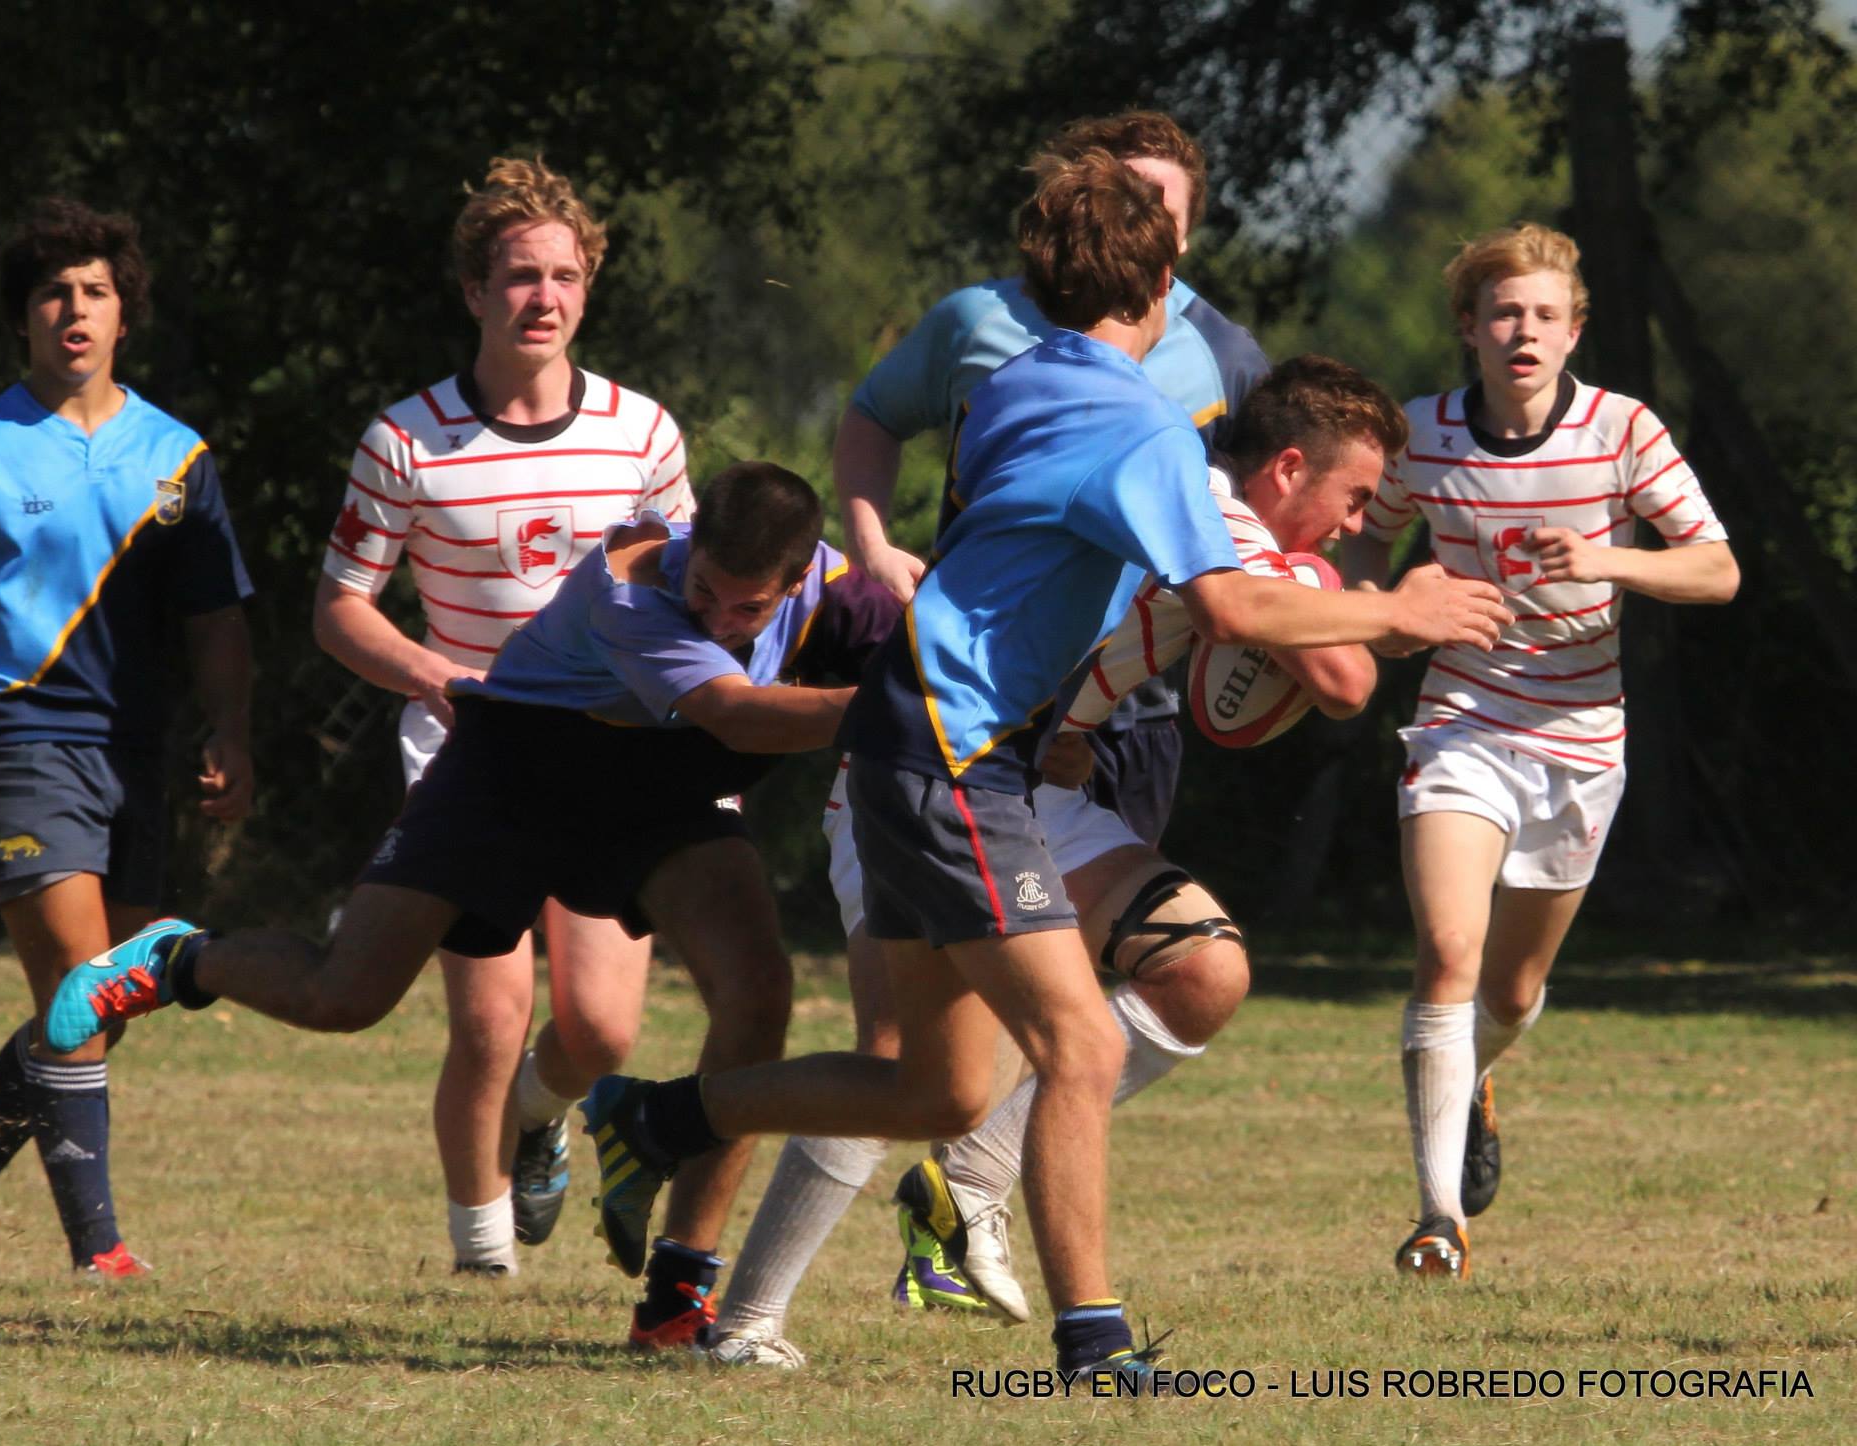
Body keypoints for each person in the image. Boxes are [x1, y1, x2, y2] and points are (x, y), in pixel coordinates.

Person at [580, 152, 1509, 1381]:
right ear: (1166, 276)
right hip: (953, 755)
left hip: (923, 745)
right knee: (1082, 1044)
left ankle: (654, 1117)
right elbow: (1230, 611)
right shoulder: (1143, 428)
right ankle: (1095, 1347)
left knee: (941, 1095)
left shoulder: (1013, 381)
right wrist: (1401, 614)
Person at [43, 461, 898, 1349]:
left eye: (746, 610)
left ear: (798, 578)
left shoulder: (834, 588)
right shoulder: (632, 585)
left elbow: (921, 648)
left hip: (662, 797)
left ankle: (676, 1298)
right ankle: (179, 958)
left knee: (758, 994)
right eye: (706, 589)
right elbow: (740, 715)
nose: (716, 618)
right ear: (691, 550)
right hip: (513, 772)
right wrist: (906, 704)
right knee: (346, 995)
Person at [705, 356, 1409, 1365]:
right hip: (920, 772)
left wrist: (1078, 716)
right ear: (1288, 469)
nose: (1351, 525)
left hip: (1013, 784)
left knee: (1199, 967)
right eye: (1350, 499)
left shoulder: (1182, 493)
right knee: (905, 1058)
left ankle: (965, 1184)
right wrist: (1394, 607)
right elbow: (1341, 679)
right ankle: (737, 1303)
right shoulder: (1218, 518)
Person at [0, 199, 254, 1276]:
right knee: (79, 980)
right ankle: (100, 1250)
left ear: (124, 315)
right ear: (23, 319)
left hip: (135, 752)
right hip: (16, 738)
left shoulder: (177, 456)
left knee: (103, 1007)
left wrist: (232, 730)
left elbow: (216, 616)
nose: (72, 310)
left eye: (93, 291)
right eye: (51, 293)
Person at [312, 157, 693, 1276]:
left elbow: (688, 594)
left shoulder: (643, 435)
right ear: (475, 291)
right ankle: (480, 1253)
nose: (544, 297)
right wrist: (436, 678)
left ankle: (540, 1115)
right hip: (470, 748)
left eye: (564, 276)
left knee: (603, 1031)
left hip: (609, 750)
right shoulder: (405, 440)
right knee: (484, 1020)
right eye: (520, 275)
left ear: (587, 289)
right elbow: (340, 610)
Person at [1336, 223, 1738, 1281]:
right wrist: (1385, 606)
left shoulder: (1621, 429)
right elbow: (1365, 531)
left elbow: (1714, 572)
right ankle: (1436, 1219)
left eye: (1543, 314)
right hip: (1462, 721)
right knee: (1447, 955)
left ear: (1571, 331)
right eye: (1502, 313)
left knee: (1507, 996)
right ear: (1468, 329)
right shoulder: (1419, 435)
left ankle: (1470, 1079)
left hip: (1579, 738)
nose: (1522, 331)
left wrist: (1606, 557)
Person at [836, 110, 1268, 849]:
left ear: (1182, 237)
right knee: (989, 943)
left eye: (1157, 205)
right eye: (1117, 195)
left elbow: (1258, 527)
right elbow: (874, 414)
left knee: (1122, 949)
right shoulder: (980, 320)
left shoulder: (1222, 357)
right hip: (986, 688)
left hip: (1130, 711)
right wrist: (871, 547)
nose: (1131, 219)